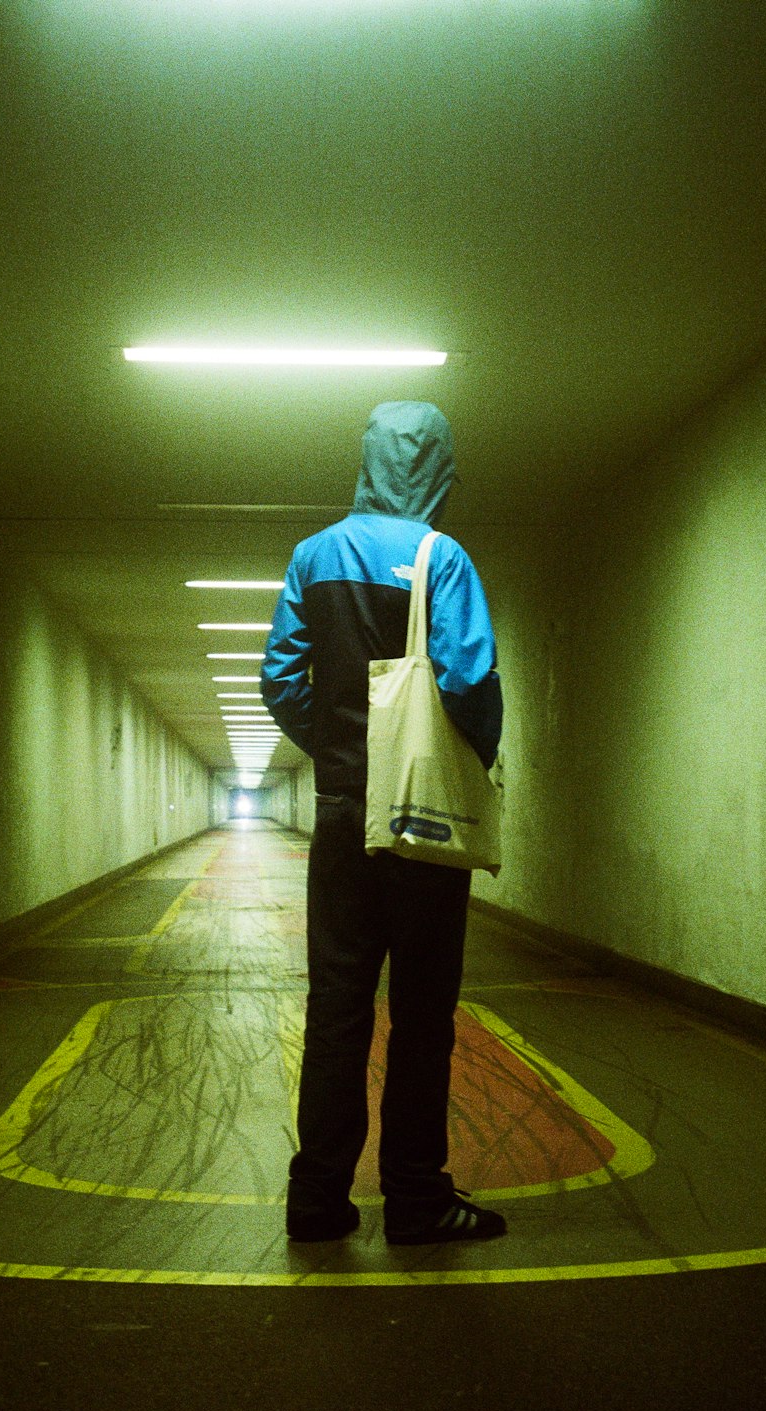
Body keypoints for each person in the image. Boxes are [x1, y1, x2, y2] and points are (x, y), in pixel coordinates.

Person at [261, 400, 507, 1246]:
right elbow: (471, 678)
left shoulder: (312, 554)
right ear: (439, 469)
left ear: (365, 462)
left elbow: (281, 678)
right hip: (421, 826)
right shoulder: (443, 557)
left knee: (336, 1008)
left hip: (339, 817)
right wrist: (469, 759)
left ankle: (318, 1199)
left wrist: (333, 749)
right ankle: (415, 1197)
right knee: (423, 1015)